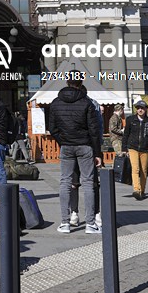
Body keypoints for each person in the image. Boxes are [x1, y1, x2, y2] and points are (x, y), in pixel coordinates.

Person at [47, 78, 102, 234]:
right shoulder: (86, 103)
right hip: (84, 145)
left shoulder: (56, 102)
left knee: (65, 181)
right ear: (81, 84)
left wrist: (63, 139)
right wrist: (97, 153)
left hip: (66, 146)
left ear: (67, 83)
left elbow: (52, 128)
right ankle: (90, 223)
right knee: (88, 182)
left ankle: (65, 222)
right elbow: (94, 130)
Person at [122, 100, 148, 200]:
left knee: (144, 171)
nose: (140, 110)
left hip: (145, 149)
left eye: (142, 108)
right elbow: (126, 134)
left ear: (146, 109)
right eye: (138, 108)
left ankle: (142, 190)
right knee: (135, 169)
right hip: (133, 147)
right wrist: (124, 148)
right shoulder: (130, 120)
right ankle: (136, 190)